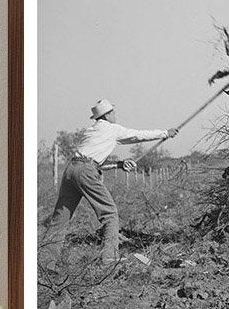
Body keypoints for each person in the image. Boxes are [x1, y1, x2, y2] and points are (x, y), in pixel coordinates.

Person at [41, 99, 178, 270]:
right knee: (110, 214)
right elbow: (138, 135)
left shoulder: (90, 131)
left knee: (60, 218)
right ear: (106, 115)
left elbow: (91, 161)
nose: (115, 115)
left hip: (70, 170)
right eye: (113, 112)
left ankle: (45, 262)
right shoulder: (112, 129)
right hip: (86, 171)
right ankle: (109, 258)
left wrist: (119, 164)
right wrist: (165, 133)